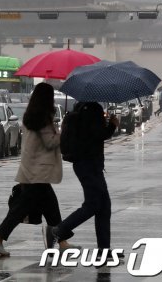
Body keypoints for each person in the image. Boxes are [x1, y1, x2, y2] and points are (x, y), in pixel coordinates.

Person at [0, 83, 75, 256]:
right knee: (26, 209)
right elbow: (50, 142)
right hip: (38, 173)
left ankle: (63, 242)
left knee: (47, 209)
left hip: (31, 169)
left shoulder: (31, 116)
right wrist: (63, 131)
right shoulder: (43, 119)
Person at [51, 102, 119, 257]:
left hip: (82, 164)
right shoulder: (94, 110)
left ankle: (104, 248)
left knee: (104, 206)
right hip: (91, 165)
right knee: (94, 204)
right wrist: (113, 124)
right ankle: (60, 230)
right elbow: (99, 134)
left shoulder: (79, 109)